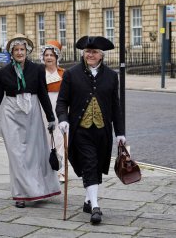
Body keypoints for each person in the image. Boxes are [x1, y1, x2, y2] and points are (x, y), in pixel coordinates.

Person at [0, 33, 61, 208]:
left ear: (27, 51)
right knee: (17, 155)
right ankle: (20, 194)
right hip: (11, 114)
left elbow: (42, 94)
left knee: (33, 156)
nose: (19, 52)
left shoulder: (37, 69)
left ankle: (37, 190)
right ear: (11, 53)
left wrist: (50, 117)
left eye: (22, 49)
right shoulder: (2, 73)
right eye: (16, 50)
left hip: (32, 114)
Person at [56, 36, 126, 224]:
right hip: (80, 130)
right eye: (87, 52)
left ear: (101, 55)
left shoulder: (111, 76)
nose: (90, 55)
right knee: (89, 163)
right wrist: (63, 119)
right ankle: (95, 206)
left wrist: (120, 133)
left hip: (103, 131)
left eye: (94, 52)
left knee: (96, 166)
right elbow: (62, 101)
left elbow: (115, 106)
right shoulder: (71, 74)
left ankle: (87, 199)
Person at [39, 40, 66, 183]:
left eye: (51, 55)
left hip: (59, 109)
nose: (49, 57)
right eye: (46, 55)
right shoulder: (39, 73)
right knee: (46, 140)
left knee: (61, 140)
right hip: (43, 109)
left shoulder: (64, 74)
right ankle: (48, 170)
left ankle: (61, 171)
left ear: (57, 57)